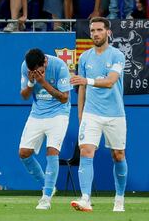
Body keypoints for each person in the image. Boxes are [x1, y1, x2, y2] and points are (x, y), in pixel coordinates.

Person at [70, 17, 127, 212]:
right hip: (91, 114)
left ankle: (119, 198)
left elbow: (111, 81)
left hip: (115, 114)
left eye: (100, 30)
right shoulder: (84, 57)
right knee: (86, 151)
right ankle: (85, 198)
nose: (95, 33)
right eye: (93, 30)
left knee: (118, 156)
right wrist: (80, 115)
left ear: (108, 32)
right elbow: (82, 90)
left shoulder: (118, 55)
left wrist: (87, 80)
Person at [19, 48, 72, 209]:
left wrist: (43, 83)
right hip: (37, 113)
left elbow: (64, 98)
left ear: (45, 62)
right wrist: (30, 82)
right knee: (23, 153)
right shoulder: (26, 67)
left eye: (39, 70)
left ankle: (46, 198)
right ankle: (48, 185)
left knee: (52, 151)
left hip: (59, 113)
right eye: (33, 71)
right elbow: (24, 96)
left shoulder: (59, 66)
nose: (36, 73)